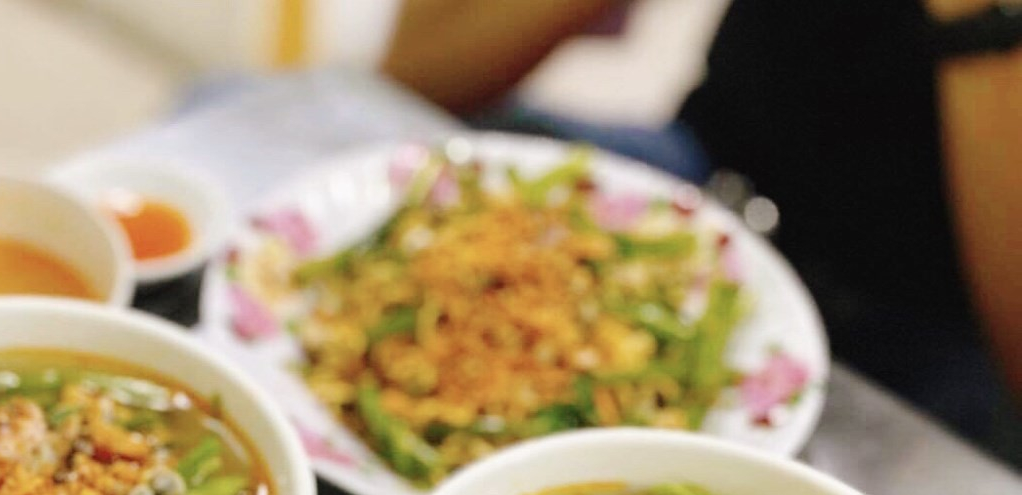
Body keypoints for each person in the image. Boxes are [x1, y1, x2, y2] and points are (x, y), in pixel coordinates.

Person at [383, 0, 1022, 463]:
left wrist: (980, 18)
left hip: (932, 336)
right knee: (435, 180)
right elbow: (412, 73)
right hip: (707, 171)